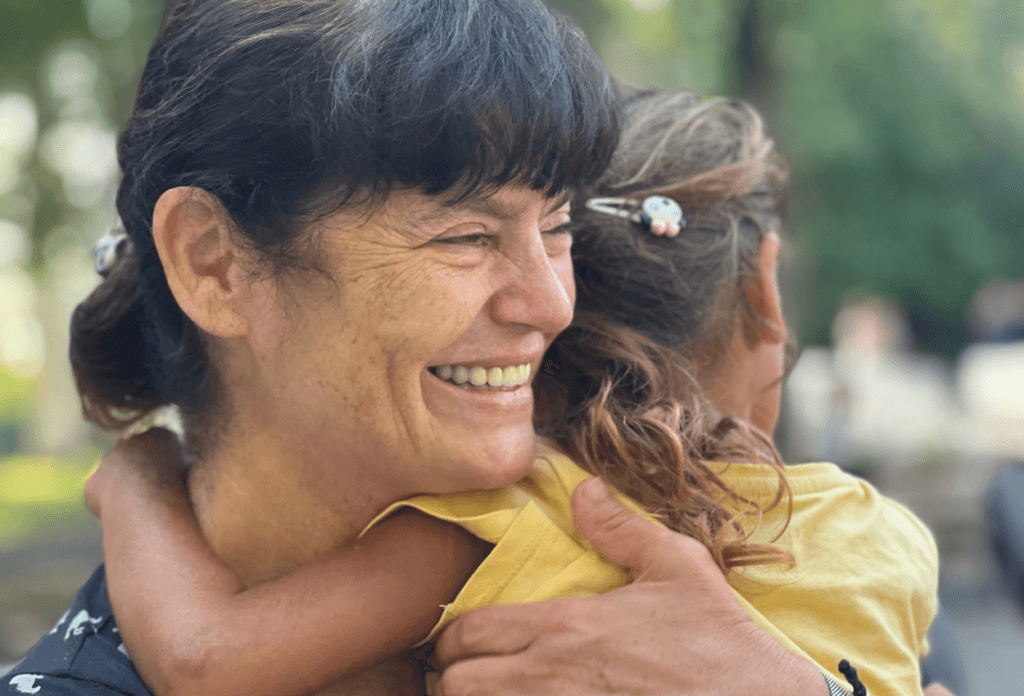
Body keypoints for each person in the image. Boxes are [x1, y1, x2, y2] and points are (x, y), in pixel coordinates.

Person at [74, 89, 936, 696]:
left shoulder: (512, 518)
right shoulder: (875, 538)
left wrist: (136, 476)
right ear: (765, 291)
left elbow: (205, 659)